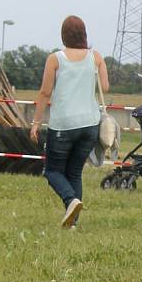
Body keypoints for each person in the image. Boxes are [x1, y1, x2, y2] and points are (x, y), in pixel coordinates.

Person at [30, 15, 108, 228]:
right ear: (84, 34)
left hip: (63, 124)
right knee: (74, 172)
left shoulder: (55, 59)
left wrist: (36, 122)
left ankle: (70, 201)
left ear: (63, 35)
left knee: (52, 171)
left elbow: (45, 92)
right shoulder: (96, 57)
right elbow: (105, 86)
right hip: (89, 124)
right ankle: (72, 222)